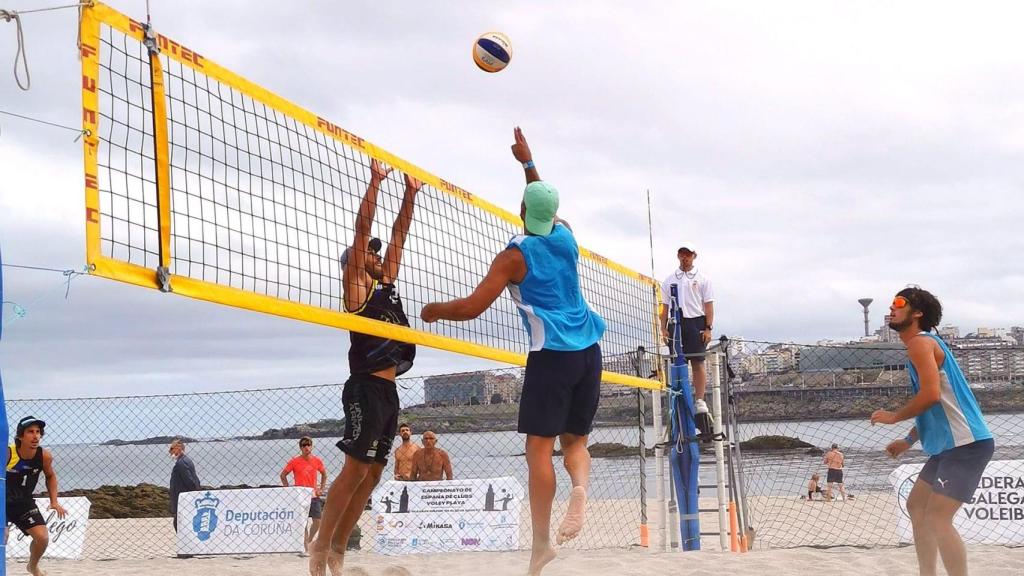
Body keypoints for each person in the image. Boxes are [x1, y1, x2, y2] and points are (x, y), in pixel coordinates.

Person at [422, 127, 606, 576]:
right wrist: (528, 164)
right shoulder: (566, 239)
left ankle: (541, 542)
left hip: (552, 355)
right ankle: (579, 488)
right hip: (590, 350)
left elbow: (471, 307)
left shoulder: (513, 256)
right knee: (575, 443)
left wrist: (434, 310)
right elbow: (542, 205)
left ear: (521, 211)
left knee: (537, 451)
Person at [309, 159, 421, 576]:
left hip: (389, 392)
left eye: (376, 254)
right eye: (369, 254)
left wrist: (410, 194)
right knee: (355, 468)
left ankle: (339, 547)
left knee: (372, 476)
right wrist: (374, 182)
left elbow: (398, 235)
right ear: (355, 264)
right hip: (364, 388)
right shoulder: (357, 290)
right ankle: (320, 548)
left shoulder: (386, 285)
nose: (376, 256)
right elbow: (363, 231)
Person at [871, 287, 994, 576]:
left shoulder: (920, 343)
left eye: (899, 303)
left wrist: (893, 417)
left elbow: (930, 396)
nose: (892, 308)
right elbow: (937, 406)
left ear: (917, 313)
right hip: (951, 445)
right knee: (916, 506)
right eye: (891, 303)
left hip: (967, 444)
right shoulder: (921, 345)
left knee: (938, 517)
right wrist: (908, 439)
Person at [659, 243, 715, 427]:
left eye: (688, 254)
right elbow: (664, 307)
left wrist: (708, 328)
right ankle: (679, 396)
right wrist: (663, 328)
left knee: (698, 362)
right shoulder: (669, 280)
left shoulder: (703, 278)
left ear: (694, 256)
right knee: (677, 362)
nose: (685, 257)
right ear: (678, 255)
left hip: (696, 321)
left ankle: (699, 400)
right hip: (676, 322)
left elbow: (708, 306)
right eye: (682, 254)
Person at [5, 416, 66, 576]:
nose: (35, 436)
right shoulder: (8, 453)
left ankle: (32, 566)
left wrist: (54, 501)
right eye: (30, 432)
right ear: (20, 436)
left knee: (42, 538)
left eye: (38, 432)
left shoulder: (44, 456)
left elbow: (50, 476)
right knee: (3, 537)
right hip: (2, 501)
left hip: (23, 502)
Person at [281, 436, 328, 552]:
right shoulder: (294, 461)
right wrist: (288, 490)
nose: (306, 447)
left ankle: (309, 541)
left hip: (313, 495)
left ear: (311, 446)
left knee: (317, 521)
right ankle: (306, 548)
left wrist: (321, 488)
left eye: (308, 444)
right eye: (304, 445)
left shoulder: (317, 460)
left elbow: (324, 474)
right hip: (300, 496)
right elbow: (283, 475)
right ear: (300, 448)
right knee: (304, 523)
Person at [168, 438, 201, 532]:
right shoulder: (187, 460)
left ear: (178, 448)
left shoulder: (181, 463)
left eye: (172, 448)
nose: (170, 451)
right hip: (185, 497)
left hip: (182, 498)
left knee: (178, 523)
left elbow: (190, 481)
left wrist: (192, 494)